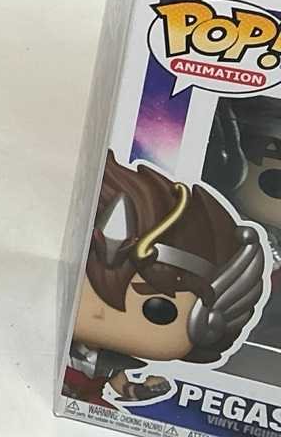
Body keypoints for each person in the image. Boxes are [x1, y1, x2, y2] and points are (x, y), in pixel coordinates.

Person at [66, 153, 267, 406]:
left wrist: (141, 390)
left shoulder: (108, 361)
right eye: (80, 286)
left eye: (158, 310)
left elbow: (122, 385)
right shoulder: (59, 339)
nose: (99, 313)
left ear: (206, 321)